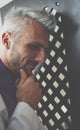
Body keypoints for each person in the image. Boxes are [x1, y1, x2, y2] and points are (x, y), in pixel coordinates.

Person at [0, 7, 56, 130]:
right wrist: (26, 105)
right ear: (7, 41)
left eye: (45, 50)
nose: (42, 59)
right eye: (34, 46)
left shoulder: (19, 80)